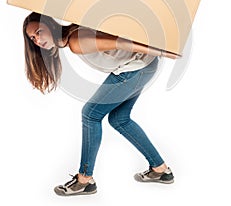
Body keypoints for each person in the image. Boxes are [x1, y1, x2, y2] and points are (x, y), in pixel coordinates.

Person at [23, 12, 178, 196]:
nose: (37, 40)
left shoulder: (75, 42)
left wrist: (162, 51)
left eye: (39, 31)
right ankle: (160, 169)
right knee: (119, 119)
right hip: (143, 65)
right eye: (33, 38)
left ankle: (84, 180)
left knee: (90, 114)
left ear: (50, 25)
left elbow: (120, 42)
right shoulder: (72, 33)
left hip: (135, 68)